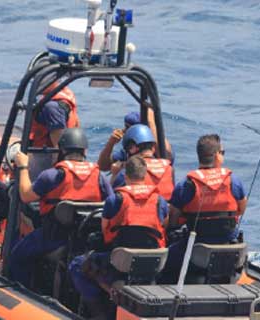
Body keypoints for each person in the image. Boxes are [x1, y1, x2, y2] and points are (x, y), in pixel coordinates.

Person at [9, 128, 112, 287]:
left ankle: (20, 289)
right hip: (84, 239)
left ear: (62, 150)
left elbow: (25, 195)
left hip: (53, 237)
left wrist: (23, 167)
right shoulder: (99, 177)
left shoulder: (52, 175)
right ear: (84, 151)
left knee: (17, 256)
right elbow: (110, 204)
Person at [69, 156, 168, 318]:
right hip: (152, 262)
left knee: (77, 265)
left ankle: (99, 313)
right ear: (145, 176)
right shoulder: (160, 201)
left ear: (126, 176)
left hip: (119, 261)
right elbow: (164, 225)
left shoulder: (115, 200)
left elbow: (106, 231)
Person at [164, 134, 247, 283]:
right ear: (216, 155)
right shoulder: (234, 181)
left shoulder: (186, 185)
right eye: (222, 153)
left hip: (195, 248)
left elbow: (173, 221)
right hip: (228, 247)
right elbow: (241, 210)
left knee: (165, 260)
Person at [111, 124, 174, 200]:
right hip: (163, 210)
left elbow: (111, 199)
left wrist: (114, 175)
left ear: (133, 149)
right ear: (153, 148)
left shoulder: (129, 171)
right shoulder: (169, 169)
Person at [29, 82, 80, 148]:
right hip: (68, 150)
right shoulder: (64, 93)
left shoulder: (52, 108)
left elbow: (58, 146)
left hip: (45, 154)